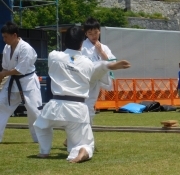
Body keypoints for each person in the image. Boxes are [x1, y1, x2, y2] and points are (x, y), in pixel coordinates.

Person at [33, 26, 130, 163]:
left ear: (65, 42)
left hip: (55, 108)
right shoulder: (87, 64)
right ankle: (82, 150)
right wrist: (110, 65)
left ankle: (44, 151)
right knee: (83, 143)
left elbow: (69, 58)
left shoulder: (54, 56)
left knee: (40, 125)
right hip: (77, 111)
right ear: (81, 43)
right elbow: (98, 68)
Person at [0, 21, 42, 143]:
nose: (4, 39)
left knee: (34, 111)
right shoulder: (7, 48)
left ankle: (39, 138)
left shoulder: (26, 48)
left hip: (28, 83)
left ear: (14, 35)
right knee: (1, 106)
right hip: (12, 83)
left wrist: (3, 74)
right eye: (3, 37)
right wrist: (1, 77)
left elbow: (20, 70)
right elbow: (6, 67)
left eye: (6, 37)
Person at [81, 17, 116, 124]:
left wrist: (101, 52)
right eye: (90, 33)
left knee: (90, 104)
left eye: (96, 33)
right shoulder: (82, 46)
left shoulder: (104, 47)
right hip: (84, 79)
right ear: (86, 34)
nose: (94, 36)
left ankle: (85, 129)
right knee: (83, 104)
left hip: (96, 80)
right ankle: (84, 130)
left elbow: (112, 63)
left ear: (99, 31)